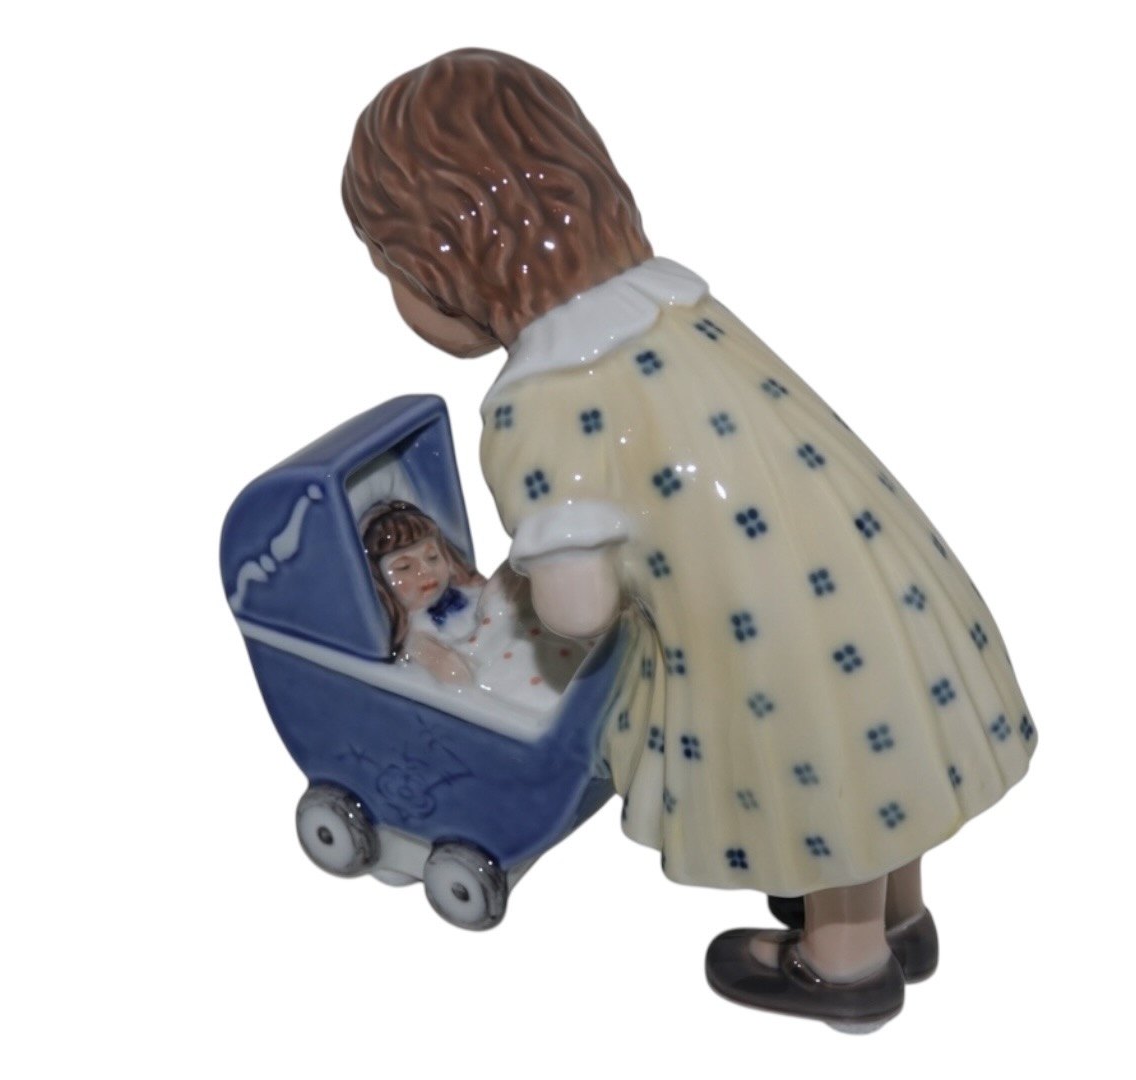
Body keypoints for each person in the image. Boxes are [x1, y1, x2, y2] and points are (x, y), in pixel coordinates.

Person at [342, 48, 1037, 1030]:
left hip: (765, 632)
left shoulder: (536, 406)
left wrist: (533, 593)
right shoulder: (680, 308)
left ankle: (844, 965)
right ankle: (899, 916)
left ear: (436, 270)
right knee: (873, 737)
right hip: (871, 570)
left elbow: (578, 607)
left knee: (820, 755)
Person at [361, 500, 484, 685]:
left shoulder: (473, 594)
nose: (425, 570)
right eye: (404, 567)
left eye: (432, 557)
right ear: (380, 581)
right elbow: (457, 677)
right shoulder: (418, 640)